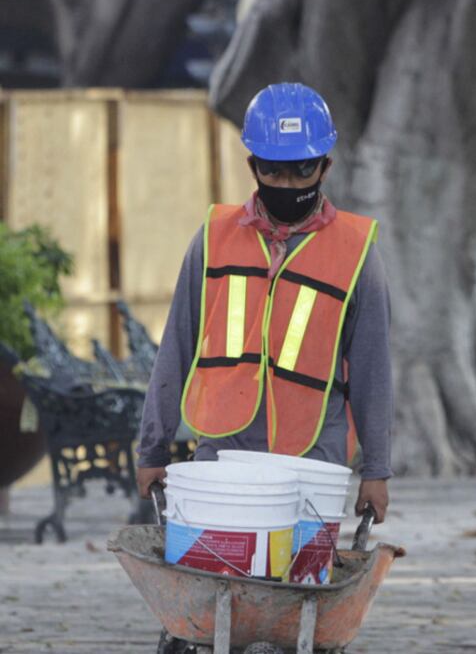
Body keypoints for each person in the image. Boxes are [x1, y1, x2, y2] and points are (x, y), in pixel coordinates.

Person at [135, 82, 391, 523]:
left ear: (325, 166)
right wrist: (152, 449)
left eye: (302, 169)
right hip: (224, 452)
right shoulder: (213, 240)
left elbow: (373, 370)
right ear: (253, 165)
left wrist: (377, 470)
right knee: (219, 559)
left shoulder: (357, 254)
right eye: (273, 170)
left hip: (314, 457)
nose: (287, 183)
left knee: (302, 565)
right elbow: (176, 348)